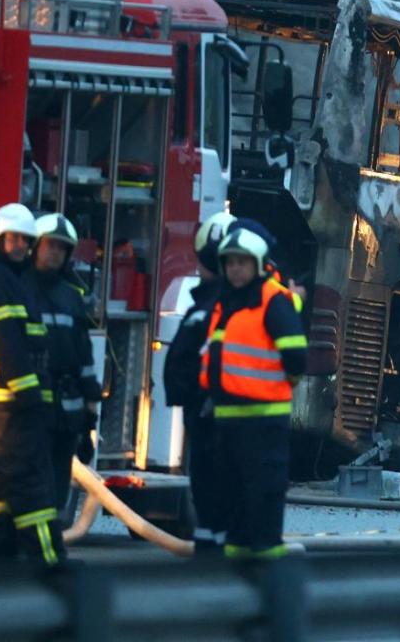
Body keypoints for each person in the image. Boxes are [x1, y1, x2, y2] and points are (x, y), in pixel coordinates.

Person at [0, 203, 66, 568]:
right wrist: (30, 396)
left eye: (25, 239)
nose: (21, 245)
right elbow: (7, 342)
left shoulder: (1, 278)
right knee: (31, 486)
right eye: (14, 239)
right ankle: (51, 564)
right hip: (11, 407)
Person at [200, 227, 307, 560]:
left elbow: (297, 357)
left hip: (264, 417)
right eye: (230, 262)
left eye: (242, 263)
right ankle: (237, 550)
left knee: (264, 485)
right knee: (232, 487)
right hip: (228, 418)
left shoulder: (272, 300)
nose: (235, 269)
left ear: (258, 264)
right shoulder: (225, 302)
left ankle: (266, 552)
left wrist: (275, 388)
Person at [163, 210, 235, 552]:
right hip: (213, 416)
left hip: (212, 418)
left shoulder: (213, 309)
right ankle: (213, 560)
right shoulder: (237, 307)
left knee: (212, 495)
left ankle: (213, 563)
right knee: (212, 498)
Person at [22, 213, 101, 515]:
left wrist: (89, 418)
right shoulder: (18, 290)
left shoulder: (71, 297)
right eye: (50, 245)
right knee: (32, 481)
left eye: (61, 248)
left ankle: (51, 543)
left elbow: (84, 357)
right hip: (32, 405)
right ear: (36, 246)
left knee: (58, 482)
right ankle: (33, 549)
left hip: (66, 409)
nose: (55, 252)